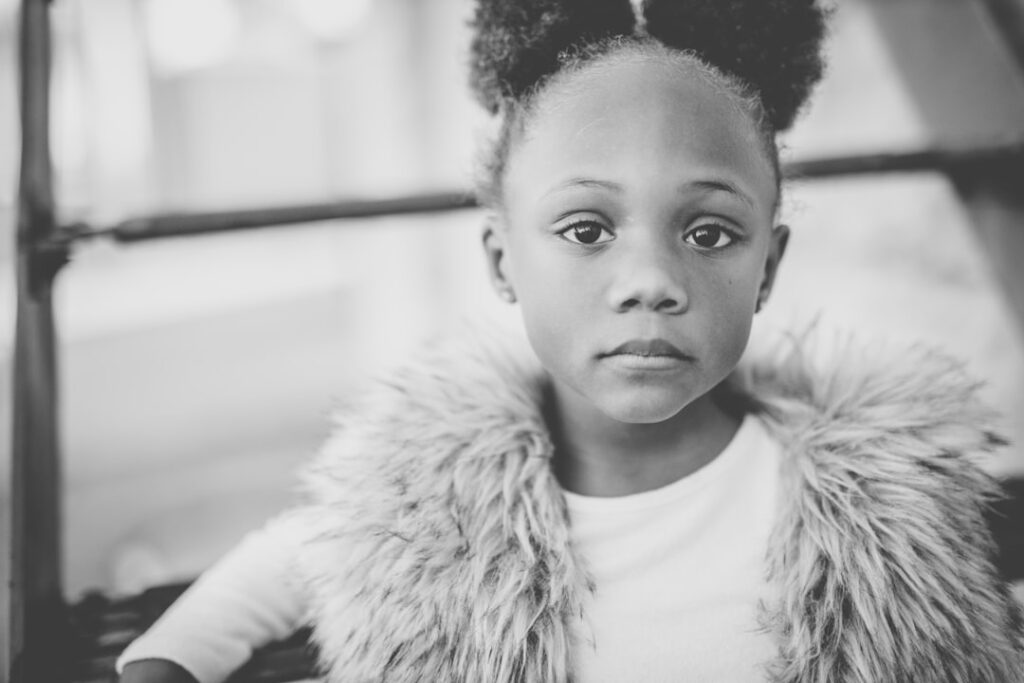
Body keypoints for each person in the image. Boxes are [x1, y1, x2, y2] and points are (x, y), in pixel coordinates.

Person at [118, 0, 1024, 681]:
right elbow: (277, 565)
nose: (652, 279)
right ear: (502, 259)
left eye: (709, 232)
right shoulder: (419, 503)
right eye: (588, 228)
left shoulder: (887, 511)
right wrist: (165, 663)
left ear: (768, 267)